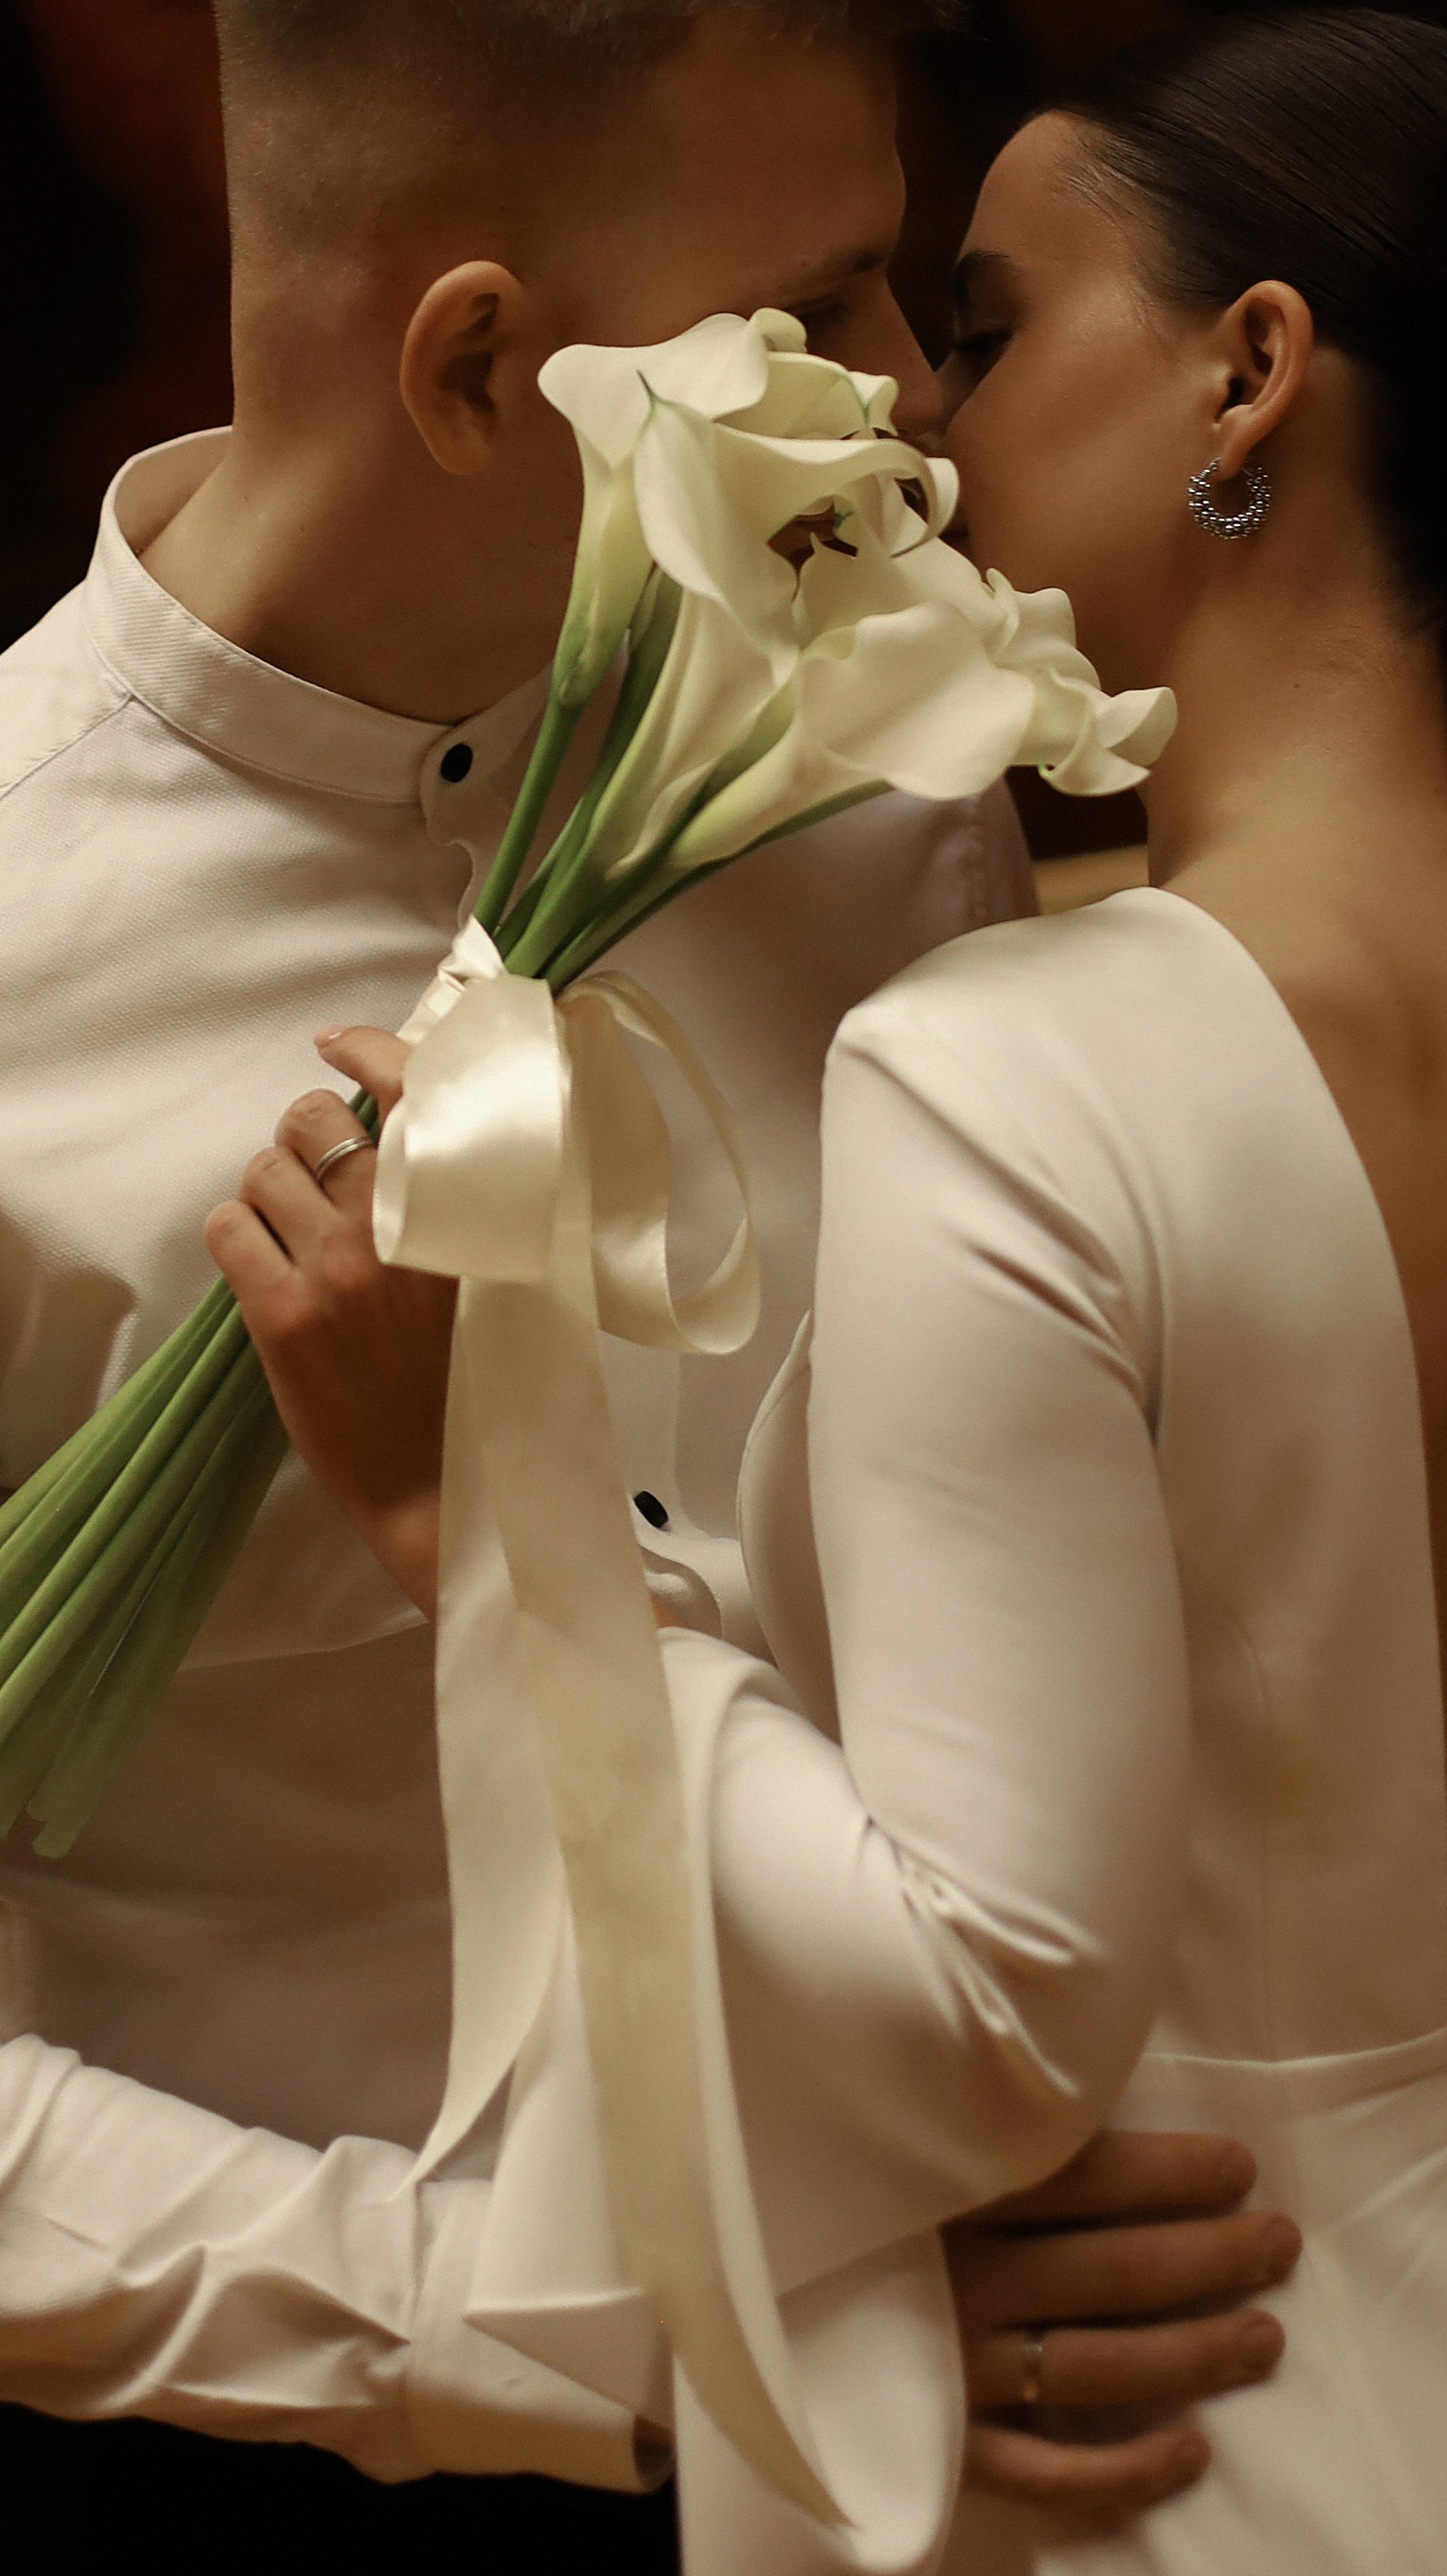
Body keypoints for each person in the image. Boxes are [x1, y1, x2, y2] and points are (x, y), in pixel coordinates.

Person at [219, 11, 1447, 2571]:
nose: (915, 404)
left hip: (1182, 2442)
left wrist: (485, 1529)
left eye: (992, 325)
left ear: (1250, 373)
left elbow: (988, 2000)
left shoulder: (1010, 1055)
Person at [0, 0, 1341, 2546]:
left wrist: (1444, 2063)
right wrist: (612, 2331)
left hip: (1028, 2440)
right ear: (476, 367)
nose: (910, 393)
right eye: (818, 305)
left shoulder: (873, 792)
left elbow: (1058, 1600)